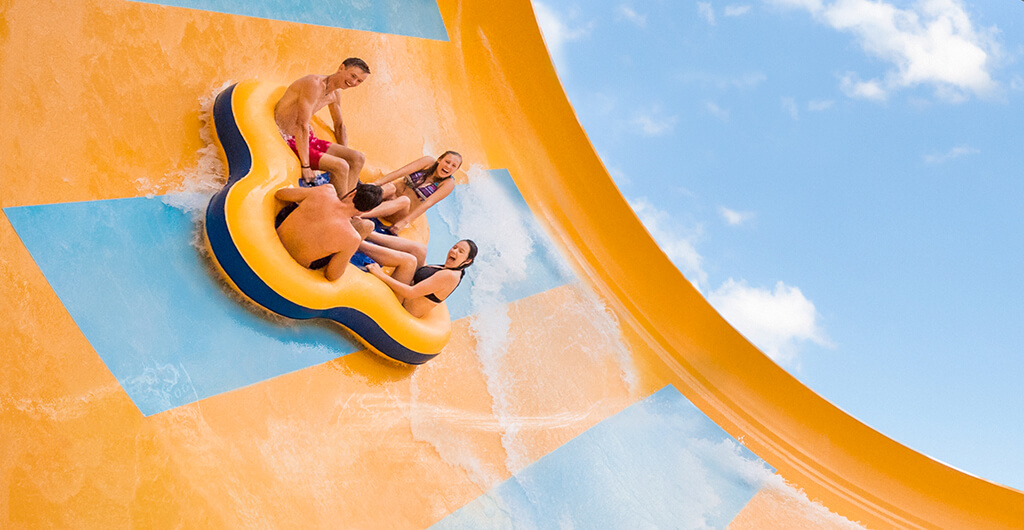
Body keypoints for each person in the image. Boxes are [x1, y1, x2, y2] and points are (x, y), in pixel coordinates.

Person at [274, 57, 371, 197]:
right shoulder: (313, 84)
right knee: (341, 166)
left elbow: (339, 126)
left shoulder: (335, 93)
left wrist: (346, 154)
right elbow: (301, 124)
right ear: (341, 68)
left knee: (358, 158)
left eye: (359, 81)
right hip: (288, 136)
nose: (354, 82)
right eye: (353, 76)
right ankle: (340, 209)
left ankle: (347, 203)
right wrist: (306, 166)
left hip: (307, 139)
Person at [274, 182, 383, 281]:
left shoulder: (325, 191)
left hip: (278, 238)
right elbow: (332, 275)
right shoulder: (352, 238)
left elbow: (280, 194)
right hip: (297, 261)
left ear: (353, 193)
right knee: (366, 227)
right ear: (368, 211)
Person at [360, 235, 477, 318]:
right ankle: (370, 234)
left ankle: (360, 243)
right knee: (420, 250)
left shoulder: (450, 276)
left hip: (402, 306)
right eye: (455, 247)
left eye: (461, 251)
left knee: (409, 261)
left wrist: (380, 275)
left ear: (467, 261)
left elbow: (410, 293)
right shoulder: (452, 266)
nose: (454, 251)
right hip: (409, 289)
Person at [359, 151, 462, 235]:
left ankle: (360, 215)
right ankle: (359, 200)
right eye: (447, 162)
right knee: (390, 187)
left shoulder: (448, 183)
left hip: (399, 212)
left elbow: (428, 203)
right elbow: (401, 172)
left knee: (404, 200)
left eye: (453, 166)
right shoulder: (428, 162)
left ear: (456, 170)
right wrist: (376, 184)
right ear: (440, 159)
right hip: (388, 197)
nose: (448, 167)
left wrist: (404, 222)